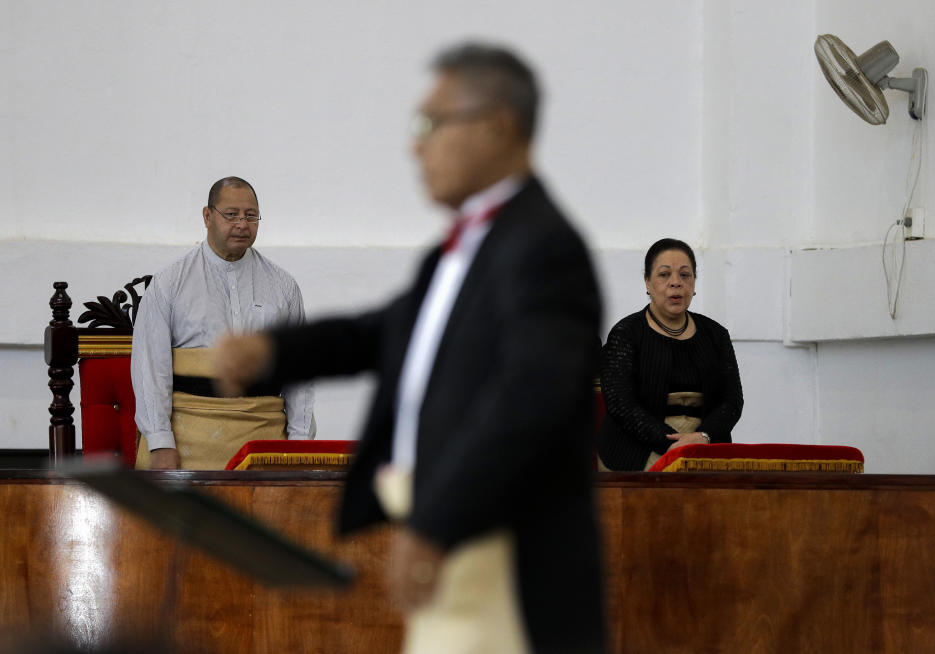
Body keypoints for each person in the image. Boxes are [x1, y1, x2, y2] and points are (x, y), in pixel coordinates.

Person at [213, 43, 606, 654]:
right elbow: (383, 333)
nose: (414, 146)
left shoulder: (544, 248)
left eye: (431, 123)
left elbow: (531, 404)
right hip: (452, 538)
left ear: (498, 126)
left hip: (503, 552)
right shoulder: (466, 248)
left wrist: (434, 523)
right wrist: (273, 352)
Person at [131, 176, 315, 470]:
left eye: (251, 216)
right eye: (231, 215)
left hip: (265, 441)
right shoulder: (170, 283)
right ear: (207, 216)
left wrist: (300, 444)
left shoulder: (283, 286)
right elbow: (150, 368)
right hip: (189, 439)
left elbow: (300, 373)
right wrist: (160, 442)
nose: (242, 224)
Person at [598, 238, 743, 471]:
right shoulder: (626, 333)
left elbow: (732, 402)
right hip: (637, 449)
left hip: (703, 445)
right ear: (647, 282)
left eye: (685, 275)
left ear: (694, 283)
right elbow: (621, 405)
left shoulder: (716, 335)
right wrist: (674, 445)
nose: (676, 283)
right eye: (664, 275)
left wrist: (704, 437)